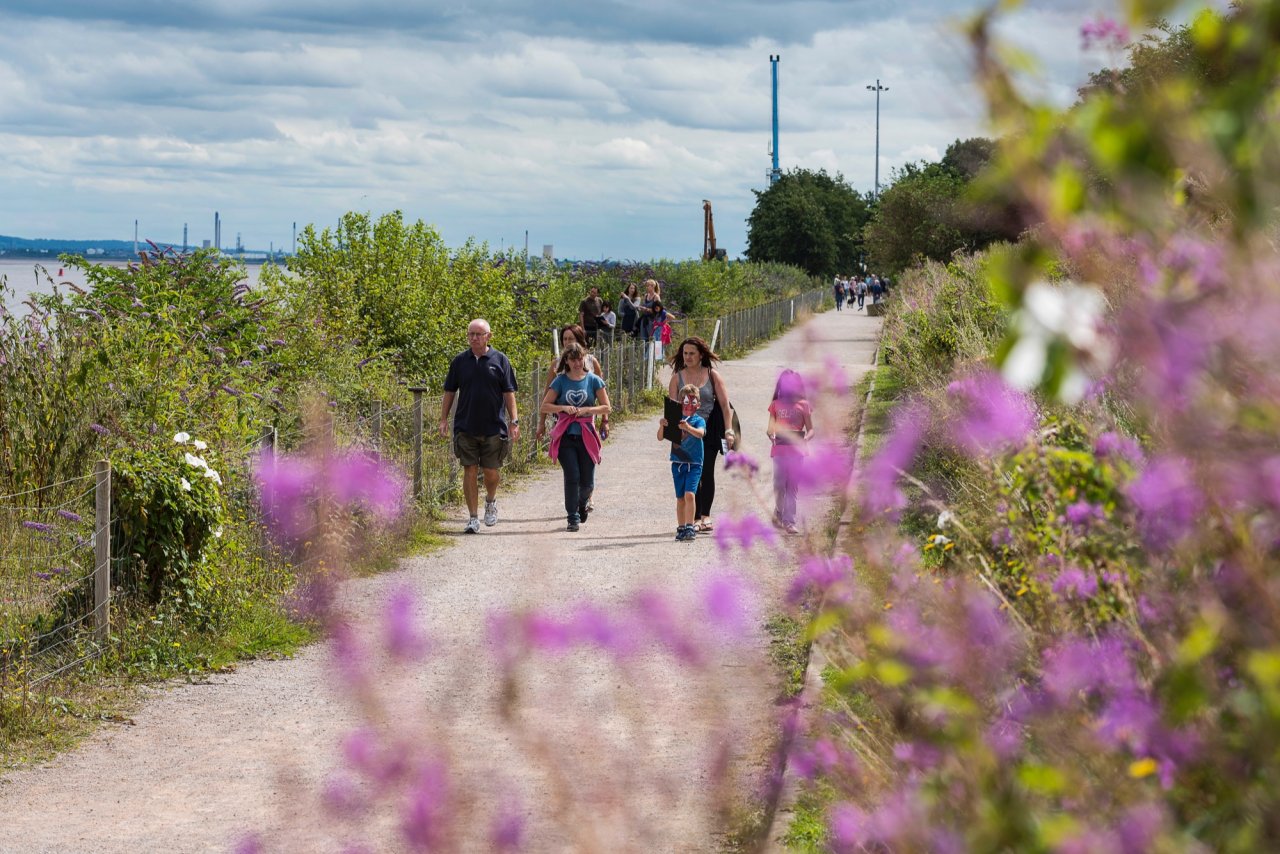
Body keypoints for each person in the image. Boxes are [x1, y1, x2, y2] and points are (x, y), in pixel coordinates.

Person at [439, 318, 519, 534]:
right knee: (470, 470)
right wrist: (444, 418)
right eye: (471, 334)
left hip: (494, 426)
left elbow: (509, 392)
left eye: (478, 334)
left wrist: (514, 420)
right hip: (465, 425)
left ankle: (491, 501)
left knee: (491, 472)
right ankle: (473, 517)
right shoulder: (459, 362)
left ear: (488, 337)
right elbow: (449, 391)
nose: (474, 338)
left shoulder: (500, 360)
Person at [667, 337, 734, 533]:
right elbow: (672, 409)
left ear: (701, 355)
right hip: (685, 432)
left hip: (709, 429)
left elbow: (724, 406)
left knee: (706, 472)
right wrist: (672, 434)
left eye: (691, 353)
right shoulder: (677, 378)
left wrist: (729, 431)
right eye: (685, 353)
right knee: (689, 472)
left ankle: (705, 516)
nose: (687, 357)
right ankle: (693, 518)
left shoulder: (712, 375)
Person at [542, 343, 610, 531]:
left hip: (586, 434)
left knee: (587, 482)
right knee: (572, 476)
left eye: (580, 358)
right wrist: (563, 407)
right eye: (573, 359)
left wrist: (588, 410)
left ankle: (582, 504)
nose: (577, 363)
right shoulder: (560, 381)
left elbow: (606, 407)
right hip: (565, 435)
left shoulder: (594, 380)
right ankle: (572, 516)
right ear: (567, 361)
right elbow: (544, 406)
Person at [535, 325, 604, 446]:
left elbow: (603, 395)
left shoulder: (591, 362)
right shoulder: (556, 364)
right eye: (565, 339)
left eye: (571, 339)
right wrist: (541, 422)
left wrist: (605, 419)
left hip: (586, 420)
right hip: (562, 420)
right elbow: (547, 394)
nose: (567, 342)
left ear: (579, 340)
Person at [766, 369, 814, 535]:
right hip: (779, 450)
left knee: (792, 487)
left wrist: (806, 439)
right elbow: (770, 428)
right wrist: (771, 434)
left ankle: (790, 521)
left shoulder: (804, 405)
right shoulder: (776, 404)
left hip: (797, 452)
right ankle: (779, 512)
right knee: (779, 485)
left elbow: (811, 429)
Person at [658, 382, 706, 541]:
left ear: (698, 405)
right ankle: (681, 527)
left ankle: (690, 525)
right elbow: (660, 437)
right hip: (677, 463)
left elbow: (700, 434)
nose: (689, 405)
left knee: (690, 494)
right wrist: (662, 426)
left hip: (694, 463)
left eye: (693, 402)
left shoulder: (699, 420)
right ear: (680, 403)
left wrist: (687, 428)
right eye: (685, 402)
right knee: (680, 497)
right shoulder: (675, 418)